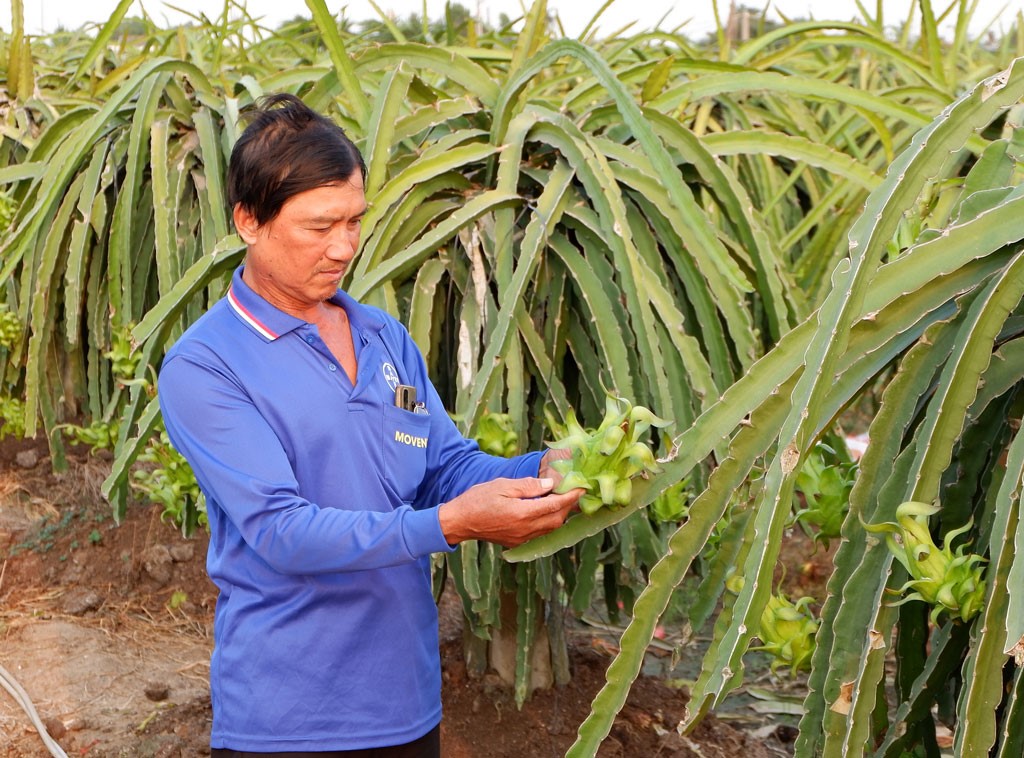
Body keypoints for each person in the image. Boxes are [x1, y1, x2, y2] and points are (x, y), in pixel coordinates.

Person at [156, 93, 581, 757]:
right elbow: (281, 531)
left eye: (354, 221)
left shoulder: (383, 338)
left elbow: (444, 466)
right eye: (319, 226)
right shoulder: (207, 368)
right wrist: (451, 525)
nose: (344, 247)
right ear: (248, 220)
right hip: (287, 718)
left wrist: (545, 469)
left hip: (406, 705)